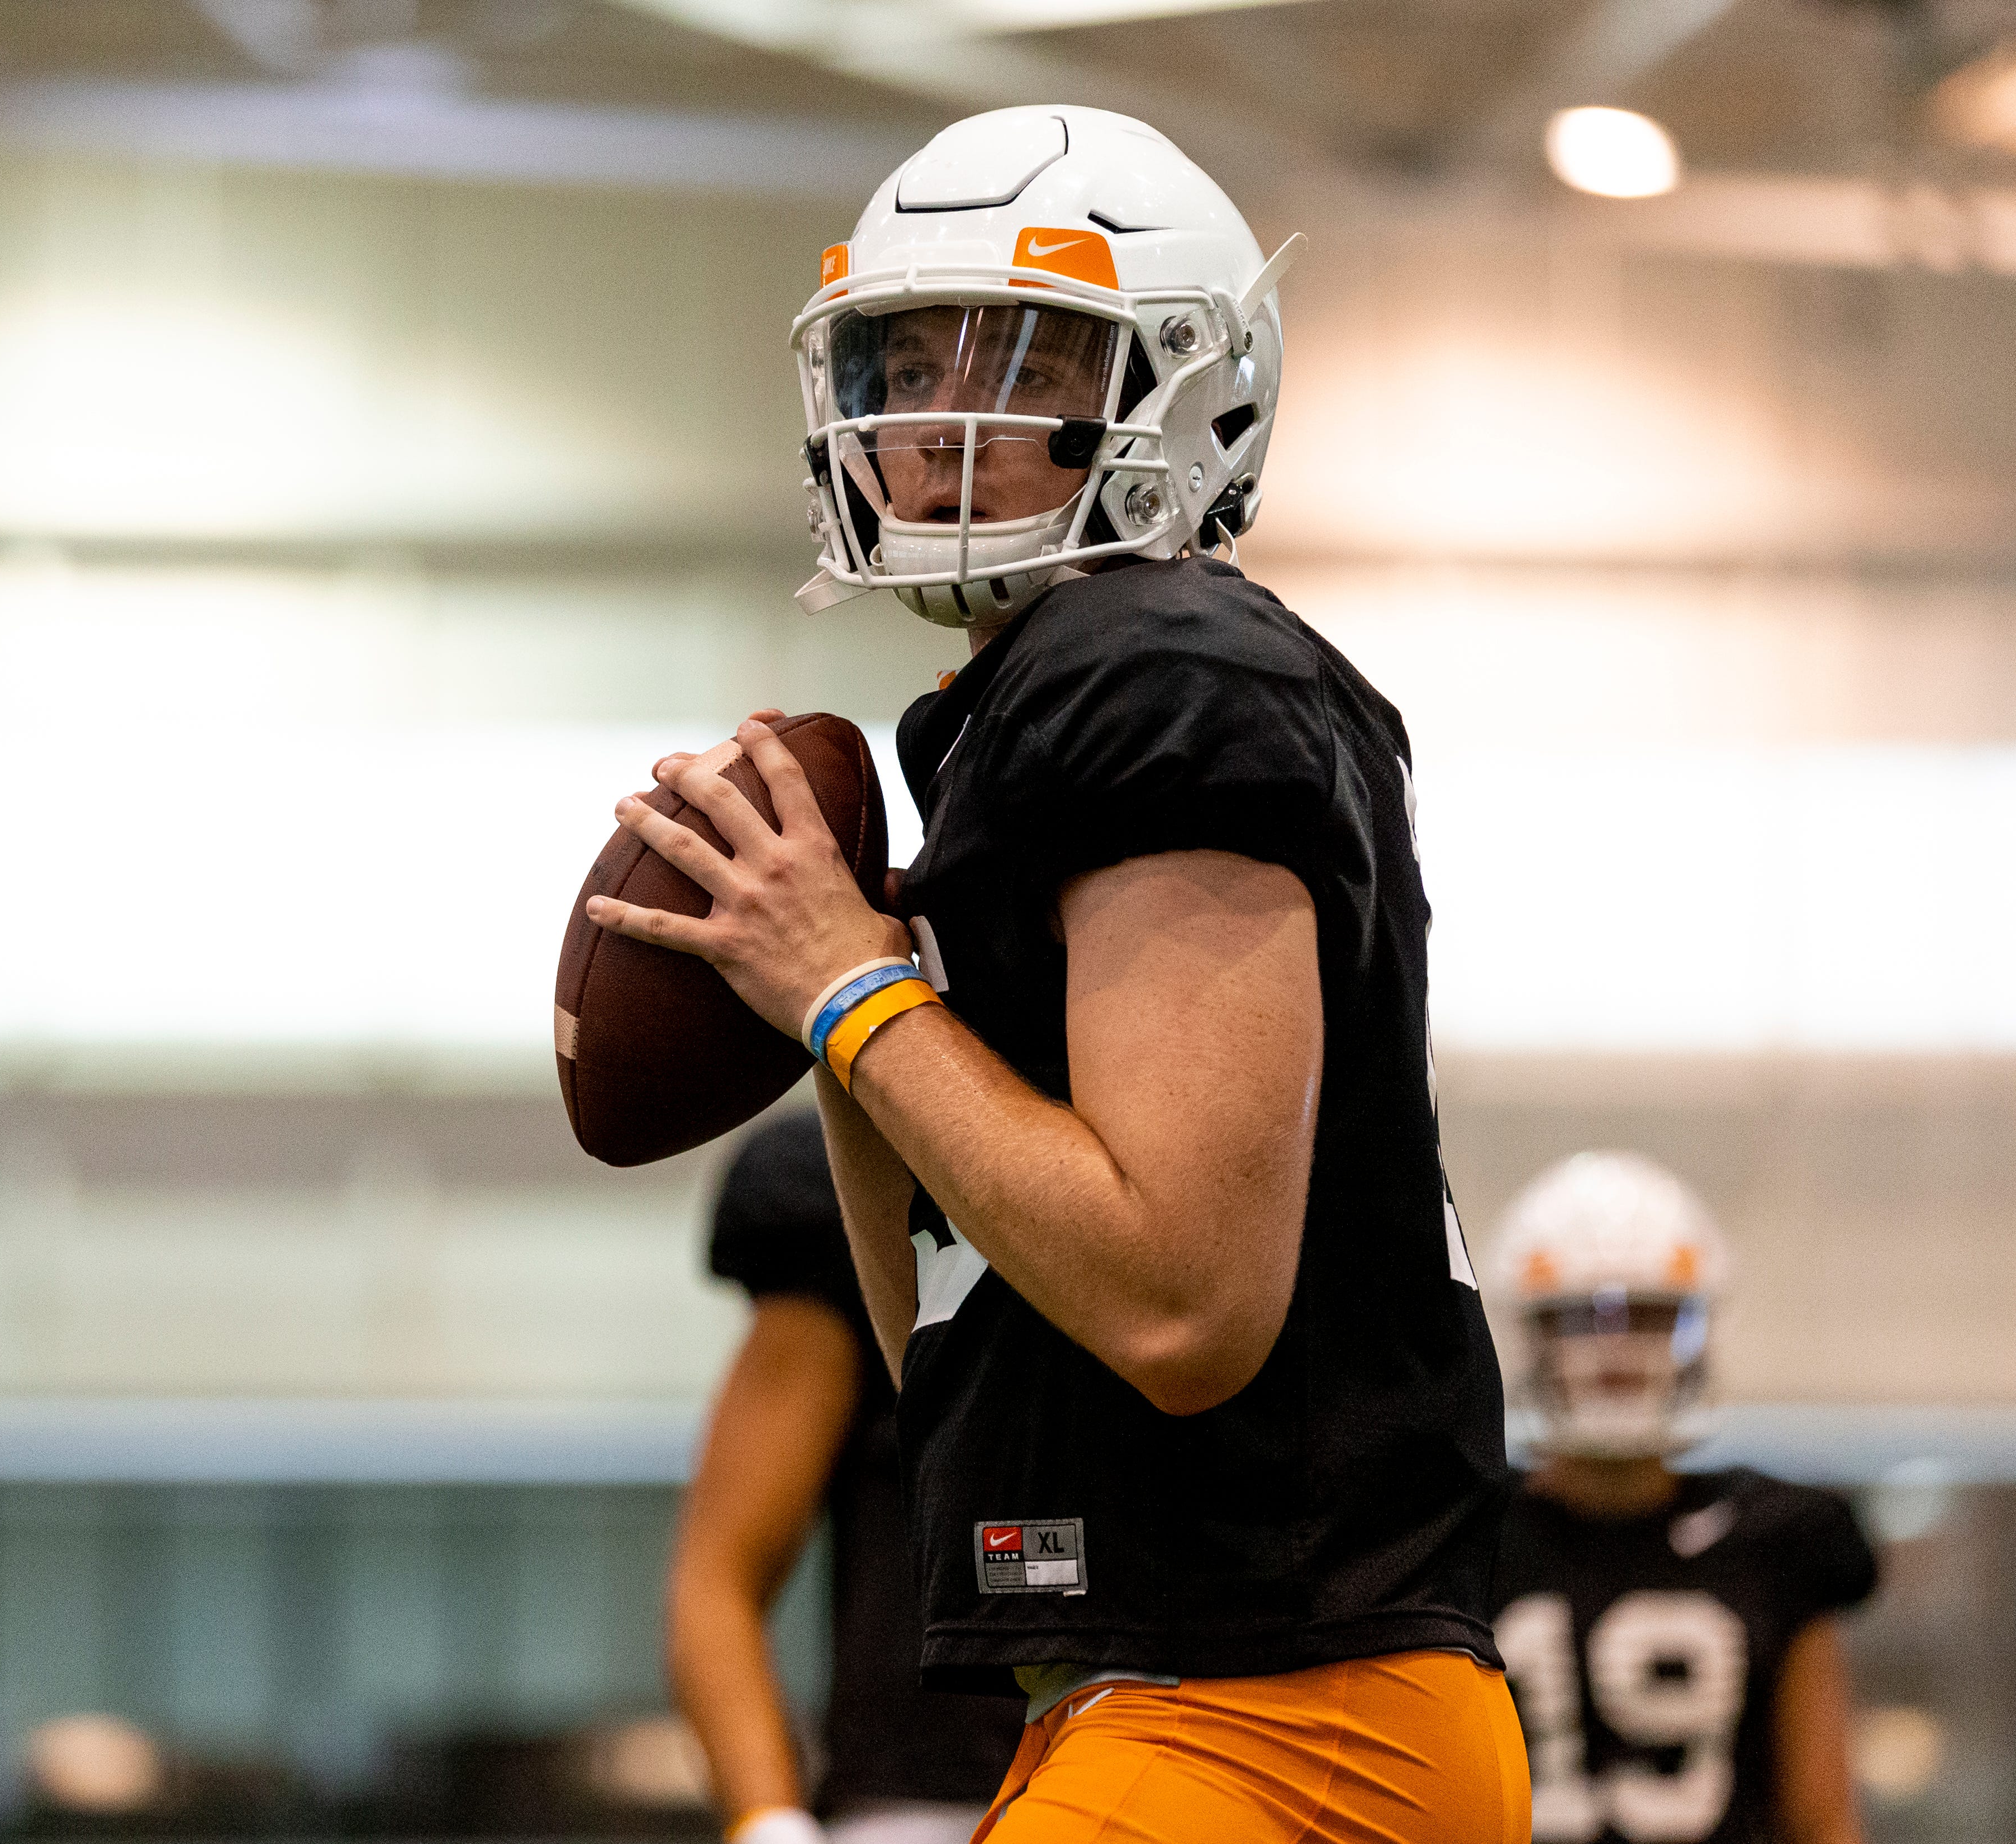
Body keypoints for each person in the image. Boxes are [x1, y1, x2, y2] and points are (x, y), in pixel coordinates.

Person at [586, 104, 1525, 1840]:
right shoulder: (1030, 710)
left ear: (1183, 385)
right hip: (1187, 1706)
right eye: (897, 358)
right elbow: (942, 1338)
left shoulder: (1157, 669)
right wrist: (846, 996)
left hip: (1274, 1717)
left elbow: (1178, 1303)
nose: (934, 417)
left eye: (1015, 354)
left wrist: (855, 995)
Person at [1490, 1152, 1877, 1844]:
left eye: (1646, 1314)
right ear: (1532, 1333)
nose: (1612, 1351)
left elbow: (1822, 1819)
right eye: (1578, 1317)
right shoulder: (1459, 1532)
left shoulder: (1777, 1536)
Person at [669, 1113, 1023, 1844]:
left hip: (1199, 1763)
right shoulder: (850, 1178)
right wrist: (771, 1823)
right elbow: (717, 1580)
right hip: (921, 1805)